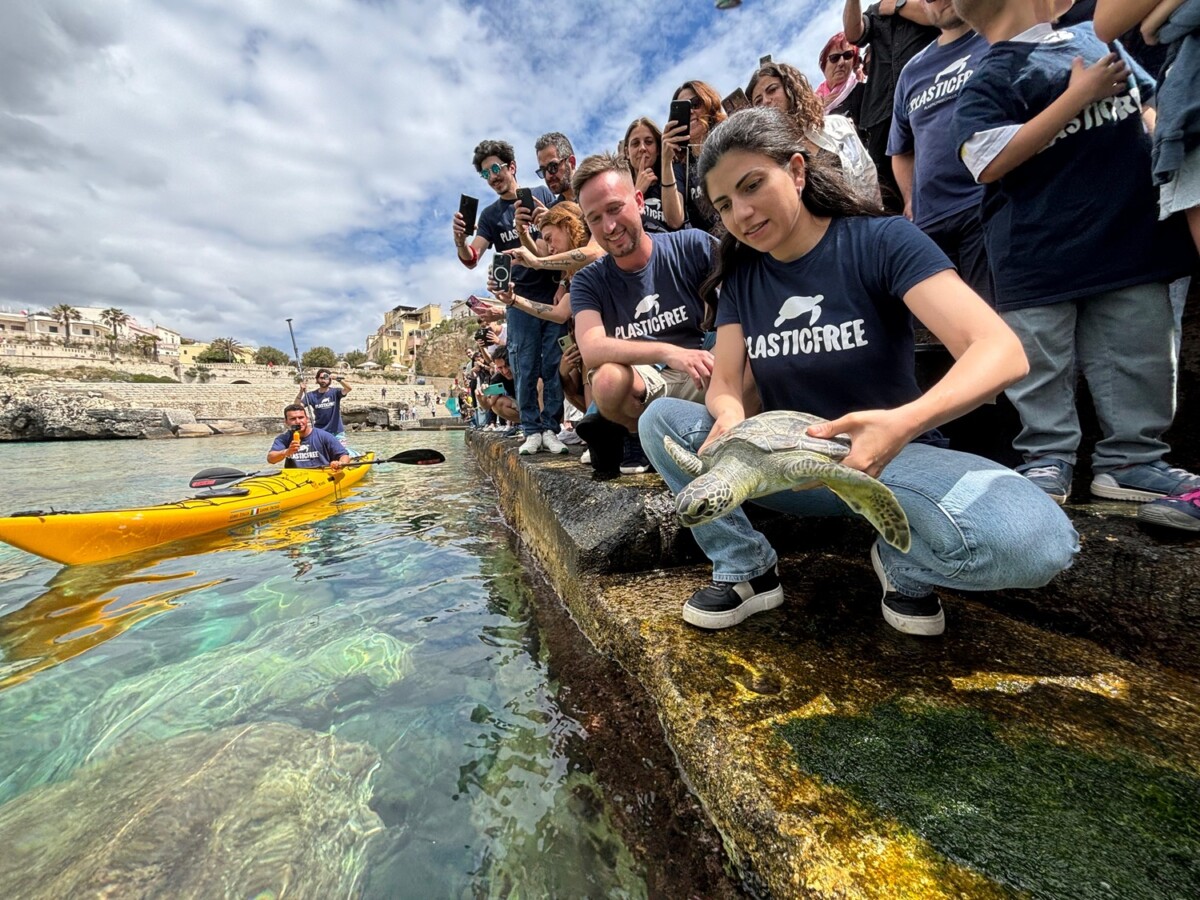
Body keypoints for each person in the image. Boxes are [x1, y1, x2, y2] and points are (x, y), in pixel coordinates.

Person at [638, 107, 1078, 636]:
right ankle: (747, 568)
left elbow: (1001, 350)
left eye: (753, 185)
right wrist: (730, 417)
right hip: (782, 465)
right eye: (725, 205)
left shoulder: (881, 239)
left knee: (1040, 542)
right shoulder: (741, 276)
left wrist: (905, 422)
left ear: (797, 171)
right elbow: (727, 381)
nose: (742, 214)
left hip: (891, 460)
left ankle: (904, 562)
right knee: (661, 418)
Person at [952, 0, 1199, 505]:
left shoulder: (1097, 38)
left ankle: (1133, 459)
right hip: (1035, 254)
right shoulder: (987, 78)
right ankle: (1047, 457)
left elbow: (1151, 106)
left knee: (1142, 354)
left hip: (1130, 240)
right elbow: (986, 159)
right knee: (1039, 367)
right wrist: (1076, 97)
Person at [569, 152, 718, 475]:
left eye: (614, 208)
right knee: (606, 379)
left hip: (701, 372)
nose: (608, 226)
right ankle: (635, 434)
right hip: (643, 380)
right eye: (595, 218)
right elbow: (592, 348)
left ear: (638, 200)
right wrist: (670, 352)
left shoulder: (693, 246)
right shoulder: (587, 280)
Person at [452, 139, 566, 456]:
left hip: (553, 294)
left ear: (511, 167)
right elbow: (473, 255)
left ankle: (552, 429)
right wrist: (460, 242)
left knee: (554, 365)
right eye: (486, 173)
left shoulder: (542, 195)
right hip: (518, 300)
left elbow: (564, 237)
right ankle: (531, 429)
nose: (492, 177)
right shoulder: (490, 215)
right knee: (524, 366)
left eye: (496, 168)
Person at [887, 0, 994, 303]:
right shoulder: (911, 72)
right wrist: (909, 199)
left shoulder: (994, 38)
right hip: (930, 223)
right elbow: (901, 149)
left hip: (987, 207)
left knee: (992, 318)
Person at [844, 0, 940, 211]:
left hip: (924, 100)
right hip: (881, 113)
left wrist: (897, 5)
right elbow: (853, 33)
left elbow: (934, 16)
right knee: (890, 196)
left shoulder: (924, 4)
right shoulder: (875, 11)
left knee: (930, 174)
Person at [747, 59, 881, 206]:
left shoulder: (837, 125)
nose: (766, 101)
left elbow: (868, 173)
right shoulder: (771, 159)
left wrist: (876, 216)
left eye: (772, 90)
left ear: (790, 88)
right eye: (758, 101)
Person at [663, 81, 728, 234]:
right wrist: (665, 163)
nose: (691, 111)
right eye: (684, 108)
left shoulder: (729, 141)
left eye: (696, 103)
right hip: (714, 249)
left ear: (709, 104)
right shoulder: (681, 168)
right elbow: (674, 220)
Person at [622, 117, 681, 232]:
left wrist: (666, 163)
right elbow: (617, 226)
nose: (642, 148)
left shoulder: (675, 173)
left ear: (658, 149)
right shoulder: (620, 187)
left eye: (649, 142)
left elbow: (675, 221)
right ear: (627, 153)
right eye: (635, 143)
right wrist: (637, 192)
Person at [268, 404, 351, 470]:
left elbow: (344, 455)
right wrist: (286, 452)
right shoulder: (283, 438)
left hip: (321, 475)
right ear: (286, 422)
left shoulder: (324, 436)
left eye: (301, 417)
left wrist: (340, 463)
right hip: (295, 478)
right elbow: (271, 459)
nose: (298, 422)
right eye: (293, 419)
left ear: (307, 419)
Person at [816, 32, 867, 123]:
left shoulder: (864, 93)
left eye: (848, 55)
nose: (841, 62)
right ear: (824, 64)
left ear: (854, 62)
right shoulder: (811, 104)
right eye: (834, 58)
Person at [296, 368, 351, 441]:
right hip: (319, 432)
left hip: (337, 432)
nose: (323, 380)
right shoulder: (311, 395)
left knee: (341, 452)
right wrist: (301, 392)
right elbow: (296, 407)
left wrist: (338, 378)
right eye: (321, 378)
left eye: (326, 378)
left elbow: (348, 389)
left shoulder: (335, 392)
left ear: (330, 380)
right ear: (317, 379)